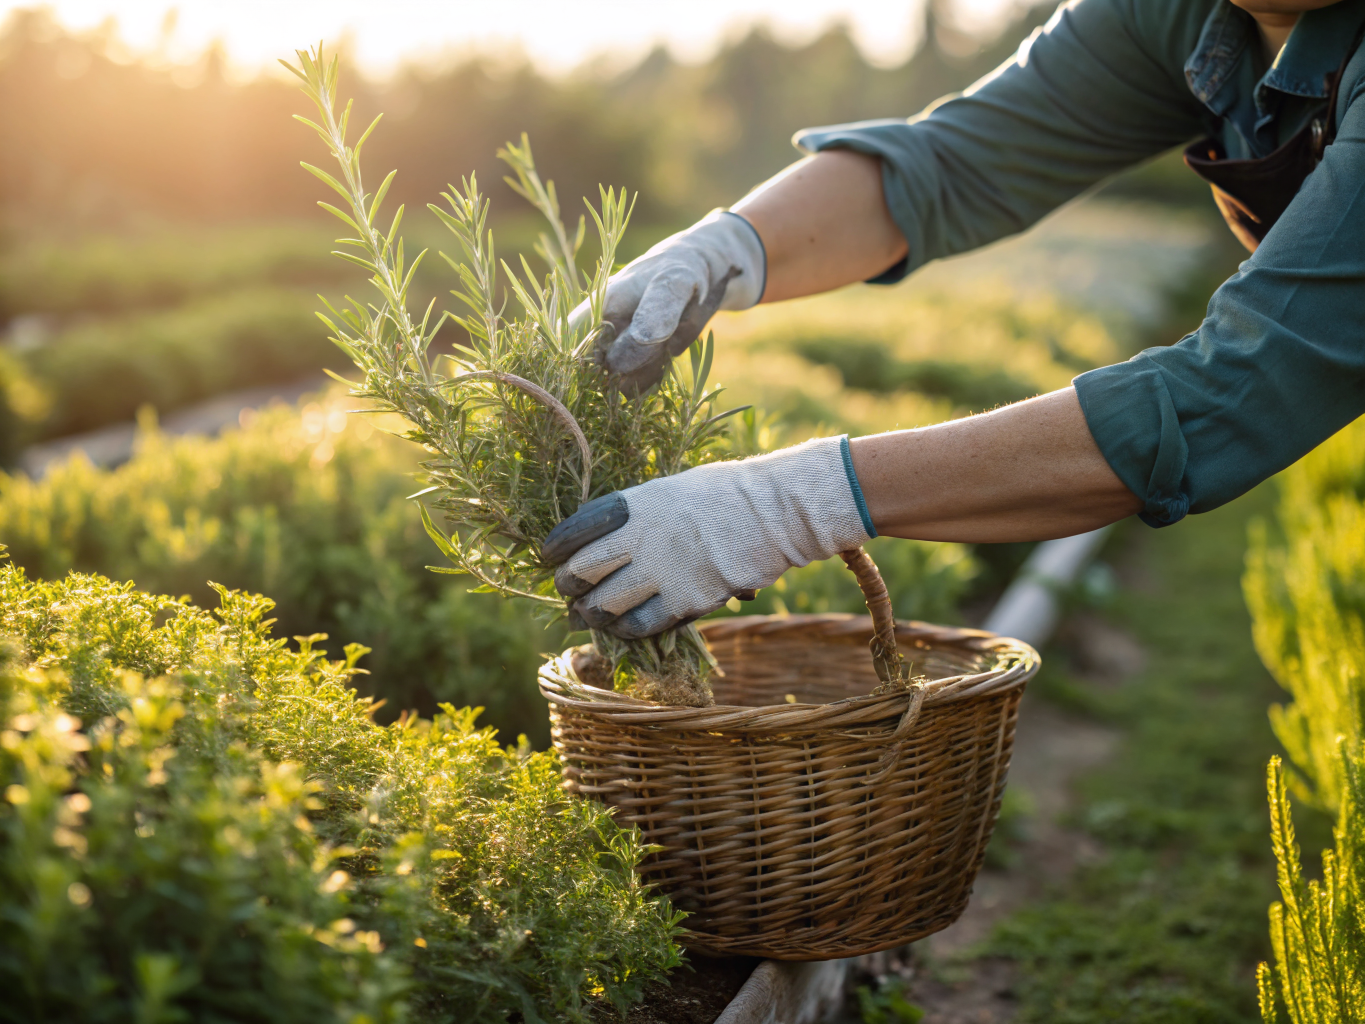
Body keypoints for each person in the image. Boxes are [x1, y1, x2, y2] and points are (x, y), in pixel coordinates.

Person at [542, 0, 1365, 641]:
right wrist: (725, 248)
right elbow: (958, 161)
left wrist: (784, 505)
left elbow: (1238, 384)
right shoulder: (1187, 17)